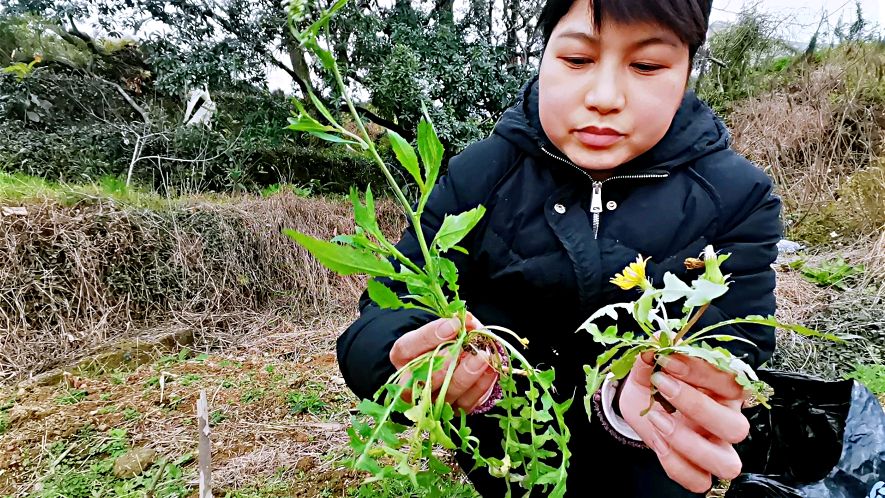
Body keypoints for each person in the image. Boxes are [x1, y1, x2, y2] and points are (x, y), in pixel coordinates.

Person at [337, 0, 782, 495]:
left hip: (651, 467)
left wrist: (664, 392)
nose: (605, 97)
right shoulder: (477, 176)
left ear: (686, 73)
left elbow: (739, 334)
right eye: (577, 60)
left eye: (647, 65)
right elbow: (384, 314)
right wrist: (413, 361)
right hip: (514, 464)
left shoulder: (739, 197)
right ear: (544, 55)